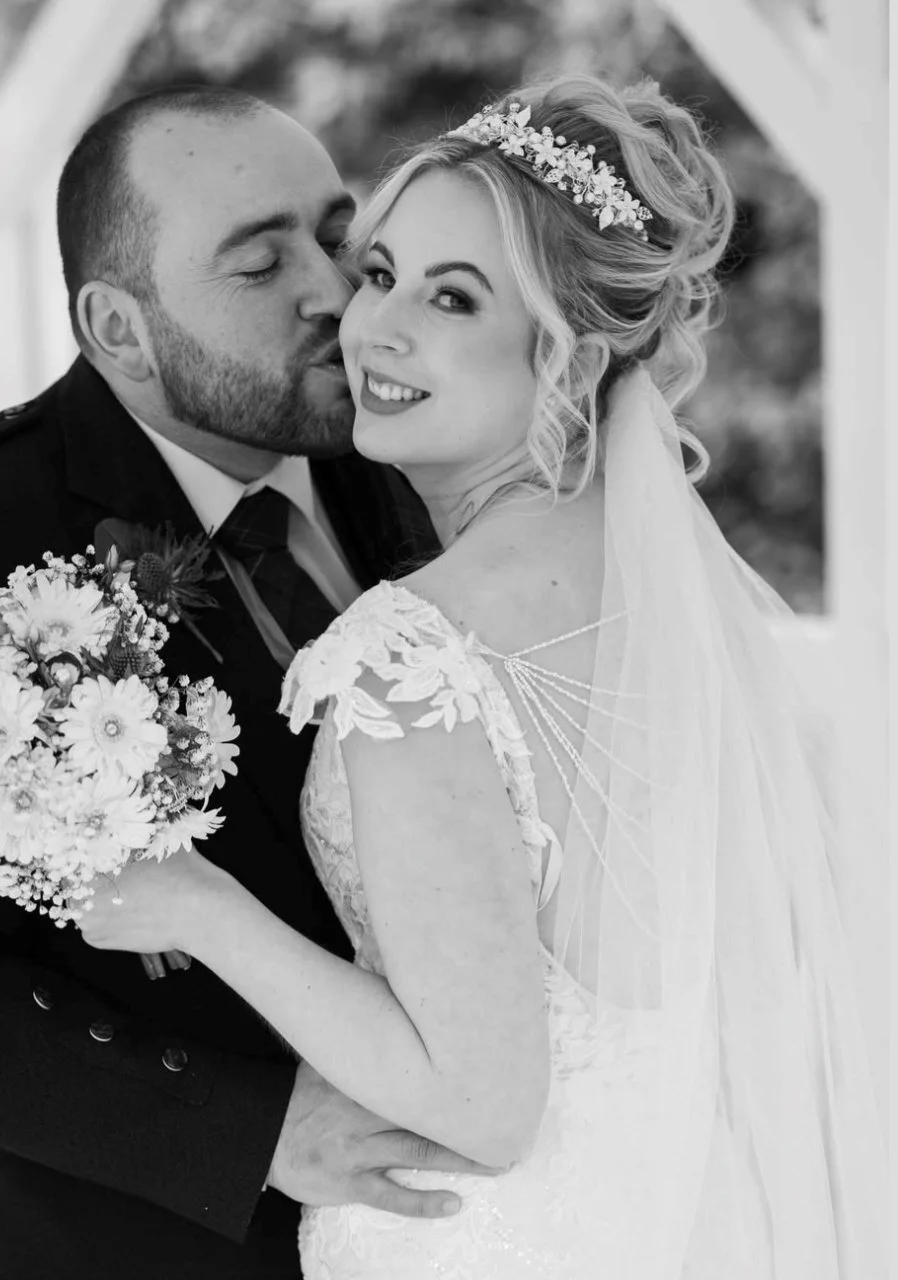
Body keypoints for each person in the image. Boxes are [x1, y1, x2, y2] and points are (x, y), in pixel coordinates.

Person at [79, 74, 887, 1278]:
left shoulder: (413, 650)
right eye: (384, 272)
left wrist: (195, 906)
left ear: (564, 353)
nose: (372, 327)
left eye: (452, 298)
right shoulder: (662, 597)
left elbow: (481, 1102)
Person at [0, 85, 500, 1280]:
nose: (335, 295)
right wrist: (238, 1124)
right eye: (259, 263)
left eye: (337, 235)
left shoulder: (439, 465)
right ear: (119, 330)